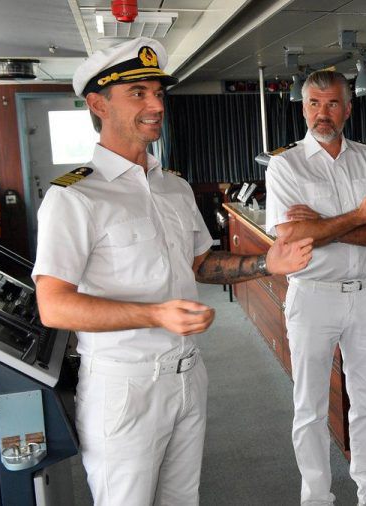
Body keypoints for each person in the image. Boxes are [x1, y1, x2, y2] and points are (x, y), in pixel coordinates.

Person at [32, 37, 313, 506]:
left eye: (158, 93)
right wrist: (155, 315)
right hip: (124, 384)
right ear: (98, 103)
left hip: (188, 374)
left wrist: (269, 263)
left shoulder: (174, 187)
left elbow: (201, 264)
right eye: (138, 93)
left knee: (183, 498)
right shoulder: (74, 197)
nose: (156, 104)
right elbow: (53, 304)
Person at [265, 71, 366, 506]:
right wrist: (361, 218)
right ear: (303, 106)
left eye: (331, 104)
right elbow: (290, 238)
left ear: (348, 108)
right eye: (313, 103)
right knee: (308, 406)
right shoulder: (285, 164)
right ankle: (316, 497)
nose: (321, 113)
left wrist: (322, 225)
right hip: (313, 295)